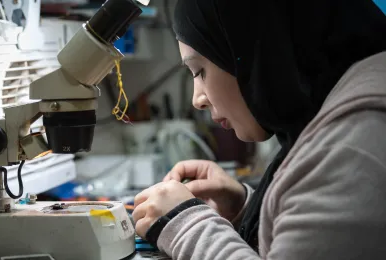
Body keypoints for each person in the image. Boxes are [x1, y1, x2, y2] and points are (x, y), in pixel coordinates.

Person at [132, 0, 386, 259]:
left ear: (258, 48)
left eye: (199, 70)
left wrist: (186, 224)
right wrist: (247, 208)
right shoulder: (355, 108)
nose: (198, 99)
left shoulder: (350, 151)